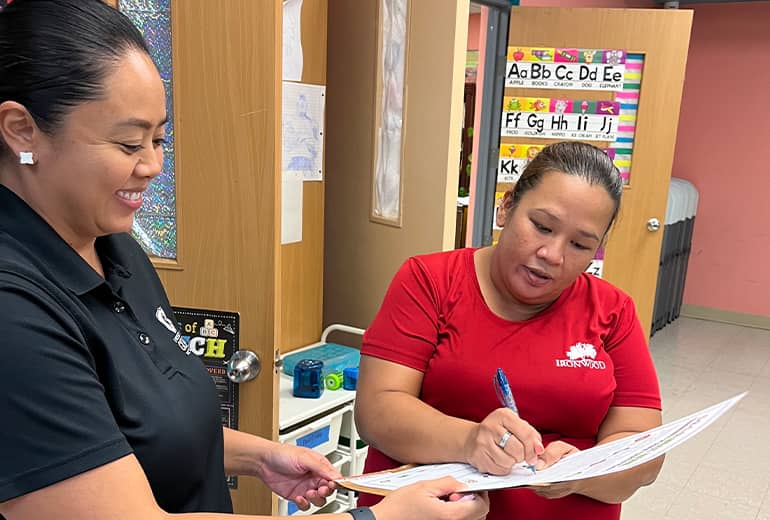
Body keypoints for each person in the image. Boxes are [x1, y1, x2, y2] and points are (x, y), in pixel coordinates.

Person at [0, 2, 490, 520]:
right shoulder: (15, 310)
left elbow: (137, 430)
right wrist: (380, 518)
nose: (152, 166)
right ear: (21, 129)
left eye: (160, 139)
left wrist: (258, 455)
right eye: (128, 143)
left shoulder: (111, 245)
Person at [355, 141, 664, 520]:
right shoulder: (430, 281)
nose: (553, 254)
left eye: (580, 244)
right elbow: (377, 408)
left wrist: (582, 472)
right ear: (506, 207)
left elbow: (645, 452)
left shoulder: (613, 311)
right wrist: (469, 441)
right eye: (541, 227)